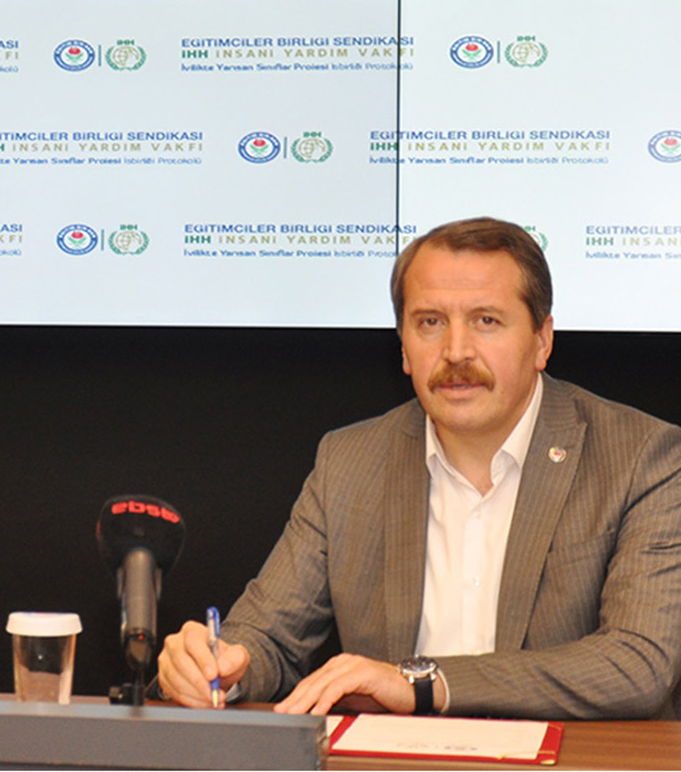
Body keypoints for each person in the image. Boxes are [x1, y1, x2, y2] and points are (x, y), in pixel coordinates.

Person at [158, 217, 681, 719]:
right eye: (430, 323)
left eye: (486, 321)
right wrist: (217, 668)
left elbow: (638, 662)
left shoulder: (641, 457)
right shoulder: (350, 461)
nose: (456, 351)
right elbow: (267, 639)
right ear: (404, 348)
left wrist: (422, 684)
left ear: (542, 340)